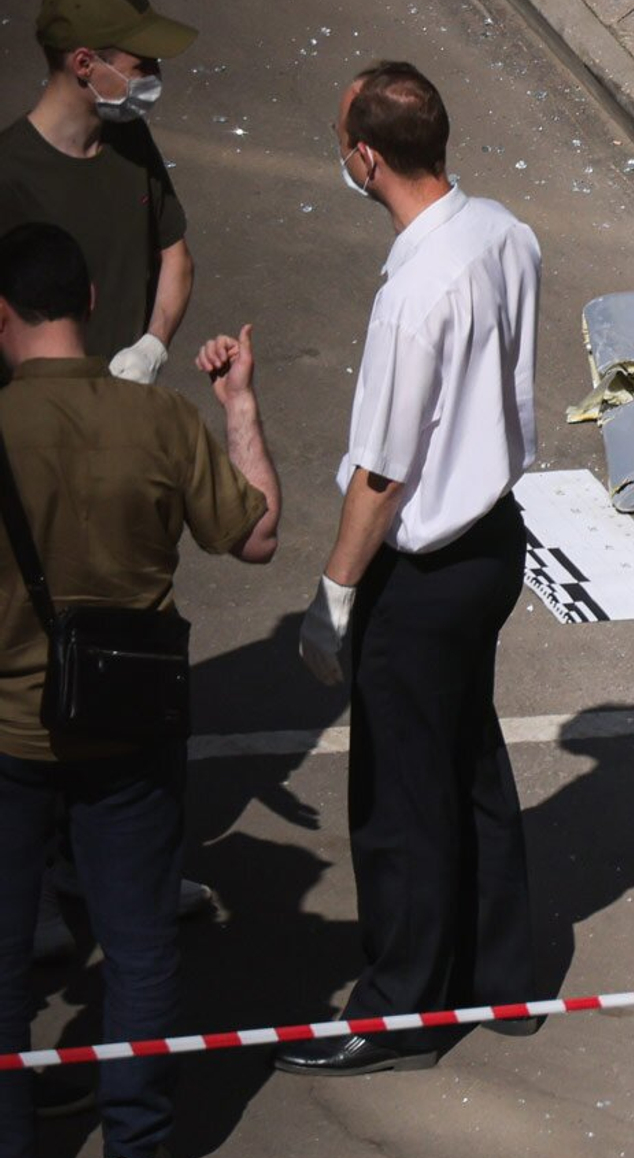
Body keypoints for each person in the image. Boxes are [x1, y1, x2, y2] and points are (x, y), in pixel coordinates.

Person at [272, 61, 540, 1078]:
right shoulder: (503, 231)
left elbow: (381, 476)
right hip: (492, 544)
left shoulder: (414, 293)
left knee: (399, 798)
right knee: (469, 758)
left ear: (366, 157)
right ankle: (501, 978)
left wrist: (333, 597)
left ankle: (399, 1012)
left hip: (424, 572)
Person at [0, 221, 280, 1158]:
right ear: (89, 304)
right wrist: (239, 404)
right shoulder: (158, 420)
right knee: (141, 950)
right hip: (132, 726)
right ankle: (140, 1139)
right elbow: (256, 535)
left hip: (8, 736)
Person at [0, 0, 198, 386]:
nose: (155, 74)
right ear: (84, 64)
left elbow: (176, 257)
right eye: (142, 64)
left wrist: (152, 347)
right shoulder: (9, 173)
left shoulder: (130, 140)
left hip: (124, 404)